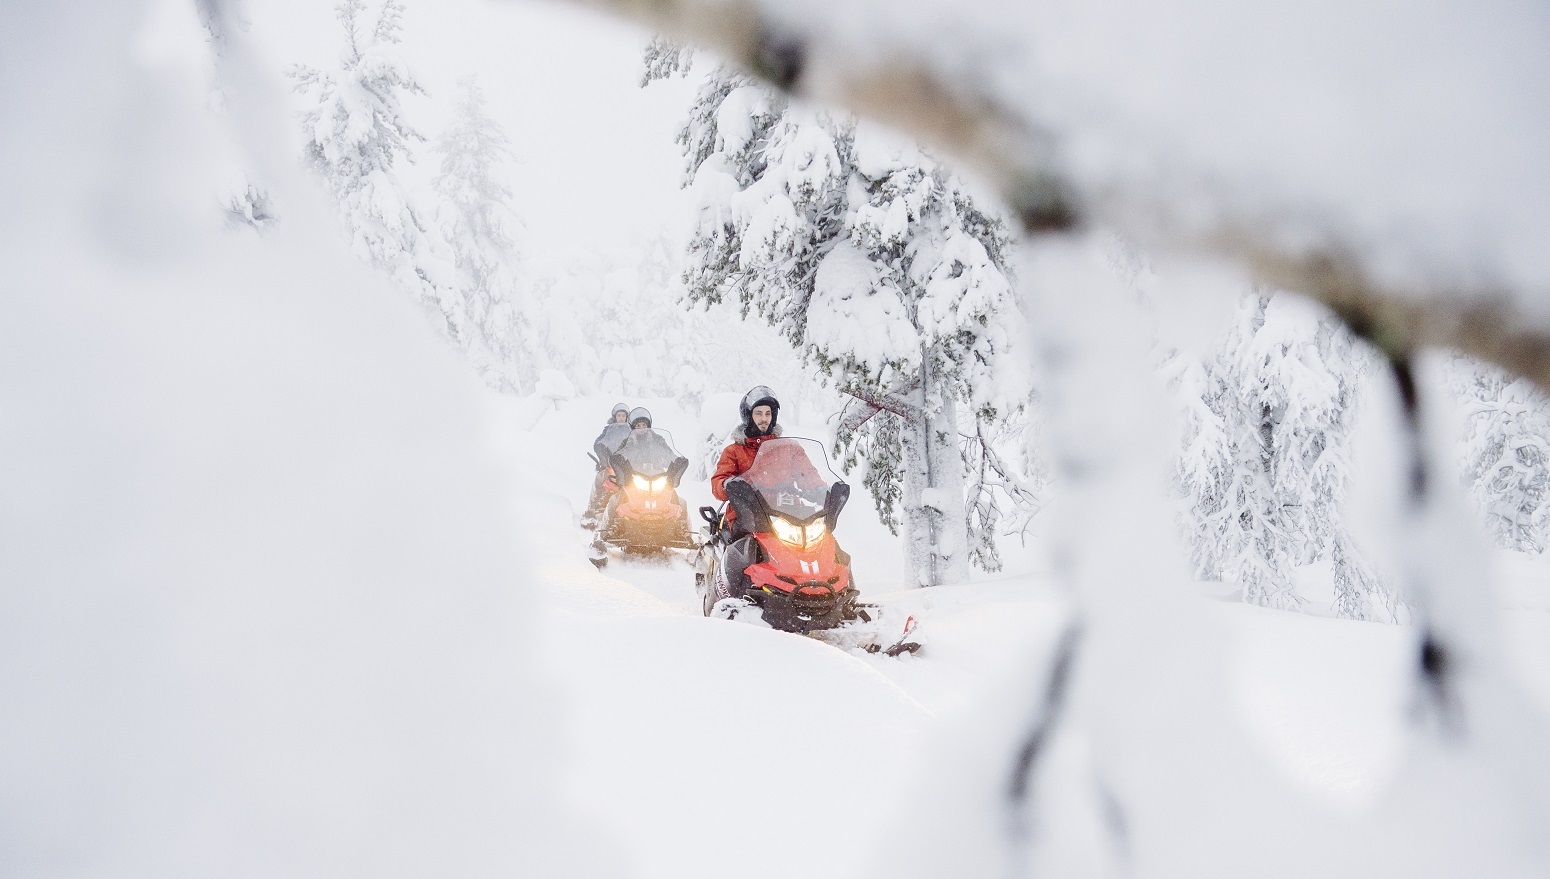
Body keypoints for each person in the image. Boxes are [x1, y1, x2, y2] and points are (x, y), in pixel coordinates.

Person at [711, 386, 781, 503]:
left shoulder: (787, 448)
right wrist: (728, 485)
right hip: (746, 508)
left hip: (784, 507)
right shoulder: (733, 451)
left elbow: (806, 474)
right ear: (749, 416)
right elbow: (718, 483)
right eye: (759, 413)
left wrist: (814, 488)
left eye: (768, 414)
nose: (764, 419)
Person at [583, 402, 633, 525]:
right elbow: (598, 443)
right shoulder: (608, 429)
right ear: (614, 417)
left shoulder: (632, 430)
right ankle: (594, 506)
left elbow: (637, 446)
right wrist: (604, 458)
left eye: (623, 416)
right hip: (611, 463)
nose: (621, 418)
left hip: (627, 465)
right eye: (619, 415)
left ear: (627, 417)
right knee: (601, 477)